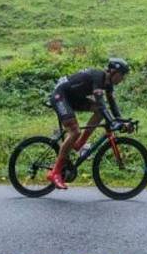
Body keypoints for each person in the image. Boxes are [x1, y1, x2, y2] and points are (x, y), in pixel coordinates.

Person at [46, 58, 130, 189]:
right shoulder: (98, 76)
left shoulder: (108, 84)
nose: (122, 79)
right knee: (74, 131)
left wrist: (121, 121)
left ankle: (79, 144)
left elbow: (111, 105)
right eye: (122, 75)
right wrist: (112, 123)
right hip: (61, 96)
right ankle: (55, 172)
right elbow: (101, 103)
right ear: (113, 72)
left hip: (73, 98)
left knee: (100, 112)